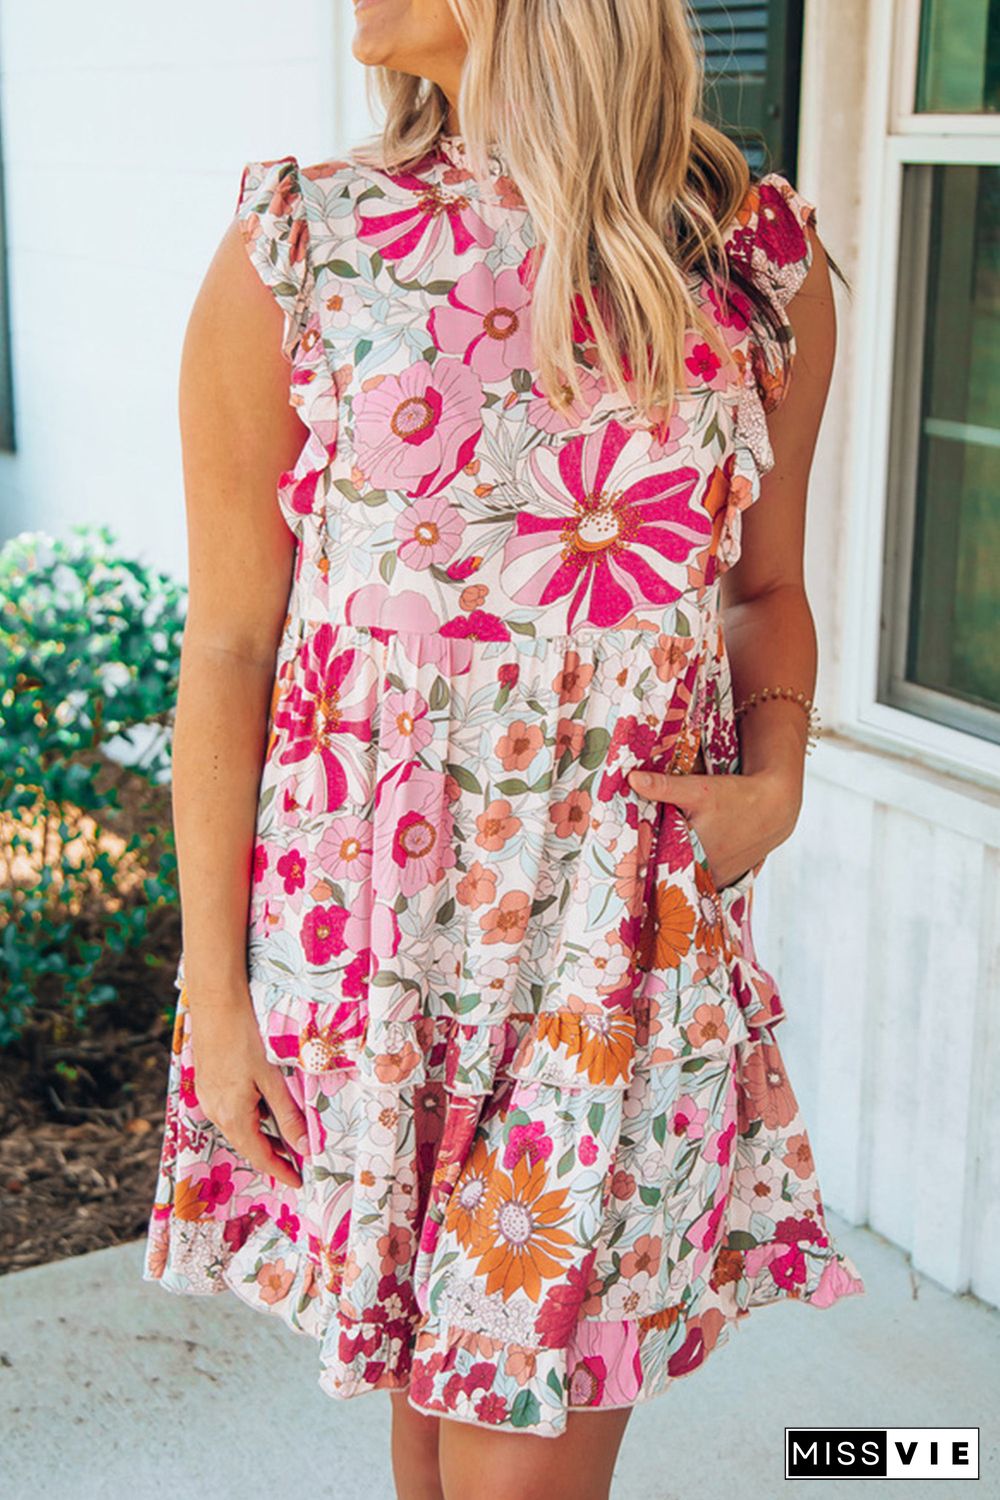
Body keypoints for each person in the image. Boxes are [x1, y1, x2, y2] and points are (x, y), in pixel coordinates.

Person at [142, 2, 866, 1496]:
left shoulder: (747, 260)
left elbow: (771, 593)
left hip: (618, 952)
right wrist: (215, 994)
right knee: (428, 1414)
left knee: (515, 1459)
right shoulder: (302, 243)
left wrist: (777, 786)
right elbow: (228, 646)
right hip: (370, 954)